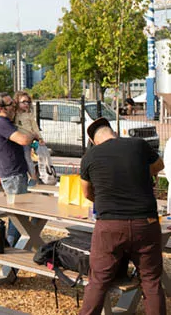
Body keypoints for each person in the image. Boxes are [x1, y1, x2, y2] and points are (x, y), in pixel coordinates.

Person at [79, 118, 166, 315]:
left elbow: (86, 192)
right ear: (114, 132)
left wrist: (103, 200)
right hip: (146, 222)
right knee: (151, 280)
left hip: (109, 225)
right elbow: (158, 165)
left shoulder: (89, 156)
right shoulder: (138, 145)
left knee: (98, 281)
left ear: (93, 141)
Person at [0, 92, 34, 247]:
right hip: (13, 175)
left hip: (16, 174)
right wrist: (33, 134)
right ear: (1, 108)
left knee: (20, 215)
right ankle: (12, 248)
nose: (14, 106)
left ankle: (18, 245)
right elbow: (23, 140)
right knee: (18, 216)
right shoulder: (1, 123)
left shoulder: (7, 122)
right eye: (11, 104)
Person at [13, 91, 44, 185]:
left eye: (28, 102)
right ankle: (22, 176)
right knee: (18, 158)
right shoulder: (14, 114)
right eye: (23, 102)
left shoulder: (28, 115)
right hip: (17, 139)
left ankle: (33, 177)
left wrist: (40, 138)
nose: (26, 104)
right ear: (17, 102)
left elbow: (34, 127)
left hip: (27, 140)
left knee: (27, 158)